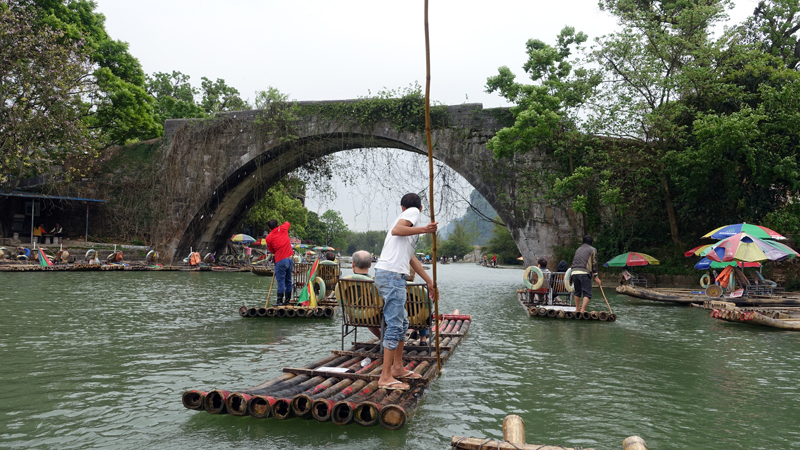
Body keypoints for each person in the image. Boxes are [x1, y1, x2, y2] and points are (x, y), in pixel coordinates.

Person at [374, 193, 437, 391]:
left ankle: (398, 368)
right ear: (418, 209)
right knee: (394, 325)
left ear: (402, 207)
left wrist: (429, 281)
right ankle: (385, 377)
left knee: (403, 323)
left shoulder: (408, 228)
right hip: (392, 275)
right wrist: (425, 229)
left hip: (391, 274)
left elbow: (410, 258)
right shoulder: (413, 213)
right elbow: (396, 230)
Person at [266, 219, 294, 306]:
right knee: (288, 281)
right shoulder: (283, 228)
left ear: (268, 228)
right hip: (290, 259)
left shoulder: (268, 237)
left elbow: (271, 250)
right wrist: (280, 226)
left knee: (281, 282)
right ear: (277, 224)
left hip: (280, 260)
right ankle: (288, 300)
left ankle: (279, 301)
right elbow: (287, 222)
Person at [571, 235, 602, 313]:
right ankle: (582, 310)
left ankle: (577, 309)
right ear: (592, 243)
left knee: (577, 291)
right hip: (584, 272)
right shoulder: (593, 249)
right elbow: (594, 263)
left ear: (583, 242)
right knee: (587, 293)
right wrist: (596, 276)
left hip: (574, 272)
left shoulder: (578, 249)